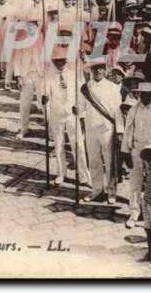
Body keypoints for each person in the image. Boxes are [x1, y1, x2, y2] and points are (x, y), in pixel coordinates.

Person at [42, 50, 91, 188]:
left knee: (78, 145)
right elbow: (44, 95)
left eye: (63, 60)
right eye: (57, 61)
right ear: (53, 62)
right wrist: (44, 99)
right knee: (58, 145)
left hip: (72, 114)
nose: (60, 63)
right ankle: (60, 174)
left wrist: (79, 109)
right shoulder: (48, 75)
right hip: (56, 114)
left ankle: (83, 176)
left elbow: (82, 94)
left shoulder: (73, 74)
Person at [122, 82, 151, 228]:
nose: (145, 97)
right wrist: (125, 151)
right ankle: (134, 213)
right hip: (137, 148)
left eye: (148, 94)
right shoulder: (134, 109)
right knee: (135, 182)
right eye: (142, 94)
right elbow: (128, 129)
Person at [79, 63, 123, 204]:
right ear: (91, 71)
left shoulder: (112, 87)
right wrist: (77, 110)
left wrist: (120, 131)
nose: (98, 71)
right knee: (93, 160)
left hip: (107, 128)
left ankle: (111, 192)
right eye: (95, 69)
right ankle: (97, 189)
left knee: (109, 161)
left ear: (105, 70)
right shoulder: (86, 88)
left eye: (101, 68)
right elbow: (81, 107)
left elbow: (118, 111)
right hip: (91, 127)